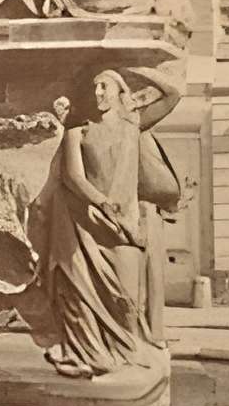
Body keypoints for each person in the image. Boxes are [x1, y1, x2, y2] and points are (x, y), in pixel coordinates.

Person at [27, 62, 181, 379]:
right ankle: (90, 357)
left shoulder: (133, 123)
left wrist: (133, 70)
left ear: (120, 92)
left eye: (105, 86)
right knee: (78, 298)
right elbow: (72, 176)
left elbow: (173, 93)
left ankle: (127, 354)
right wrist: (102, 202)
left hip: (124, 229)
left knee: (126, 301)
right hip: (85, 228)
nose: (98, 92)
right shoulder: (77, 129)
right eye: (94, 87)